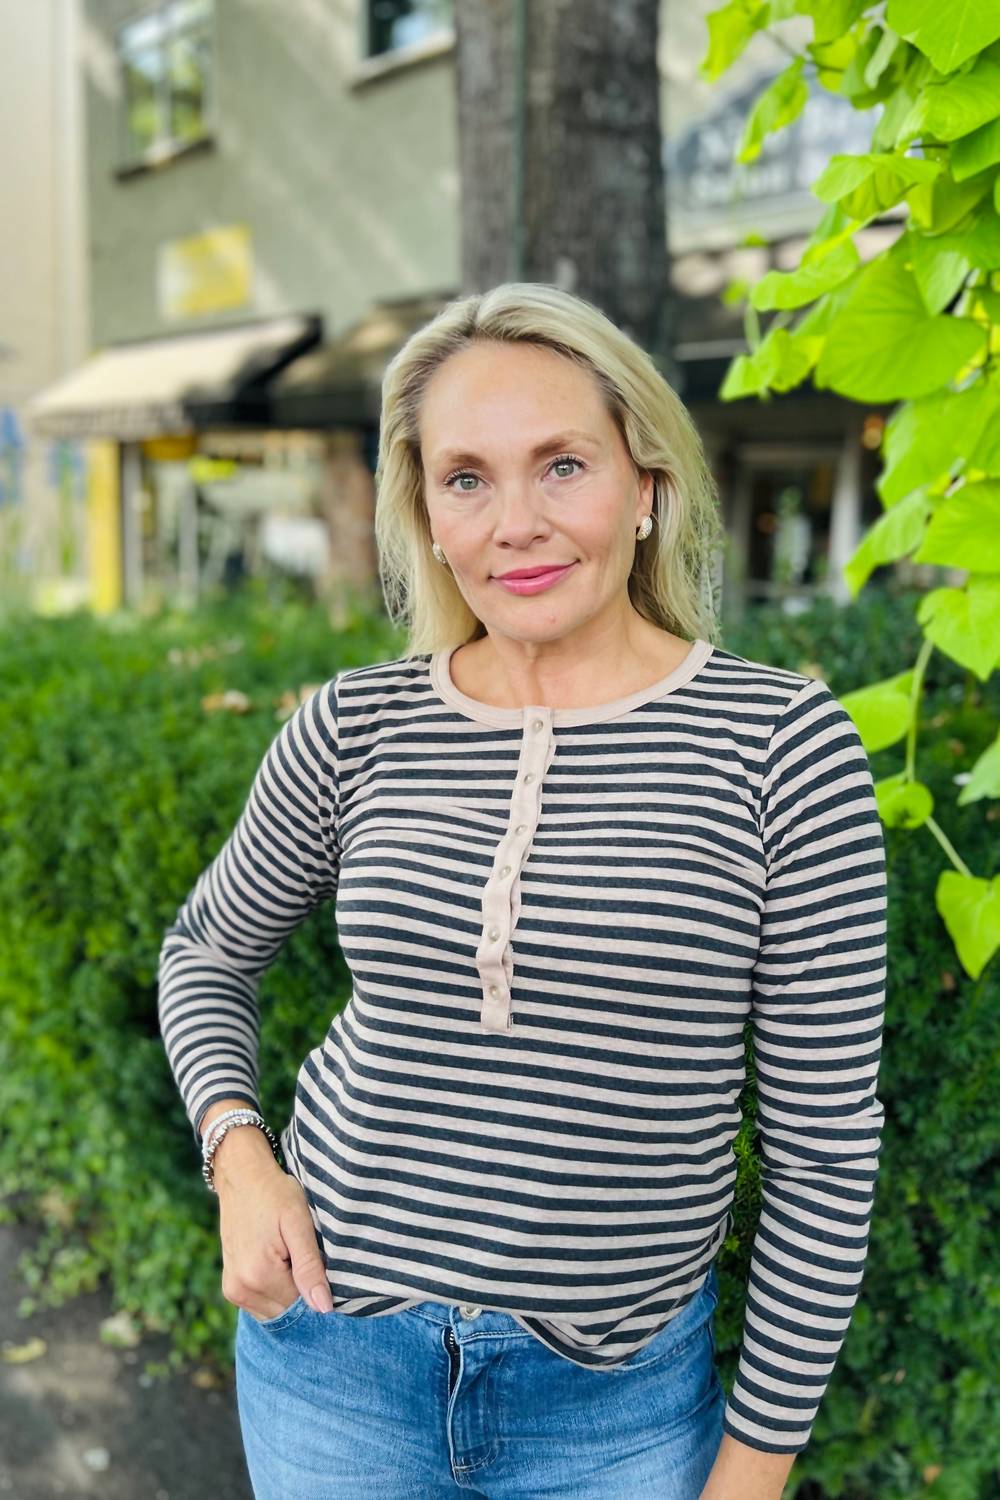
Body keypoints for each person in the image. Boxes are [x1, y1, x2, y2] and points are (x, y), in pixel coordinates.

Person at [157, 281, 887, 1500]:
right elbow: (204, 953)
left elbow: (822, 1158)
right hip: (331, 1369)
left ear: (645, 484)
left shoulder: (779, 746)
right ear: (426, 517)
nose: (516, 524)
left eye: (563, 465)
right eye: (466, 478)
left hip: (615, 1413)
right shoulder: (357, 726)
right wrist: (239, 1158)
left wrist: (752, 1471)